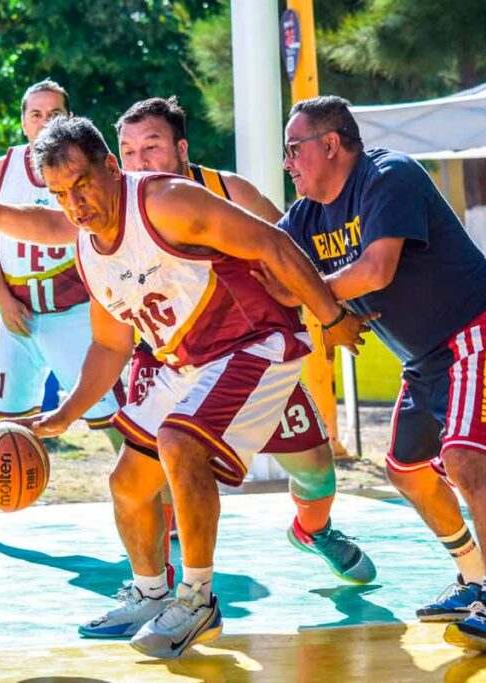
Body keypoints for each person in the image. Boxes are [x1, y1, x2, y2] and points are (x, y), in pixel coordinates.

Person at [0, 116, 372, 658]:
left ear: (111, 168)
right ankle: (150, 592)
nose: (74, 203)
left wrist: (330, 315)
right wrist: (68, 413)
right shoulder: (91, 245)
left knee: (184, 443)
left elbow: (271, 241)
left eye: (81, 184)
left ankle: (198, 600)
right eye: (60, 194)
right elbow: (110, 346)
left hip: (254, 342)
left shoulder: (165, 201)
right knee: (127, 482)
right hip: (187, 361)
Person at [256, 95, 486, 653]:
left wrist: (319, 302)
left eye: (294, 149)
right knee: (406, 470)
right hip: (426, 358)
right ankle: (473, 576)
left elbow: (376, 269)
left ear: (330, 144)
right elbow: (269, 270)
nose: (289, 162)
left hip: (480, 331)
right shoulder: (307, 217)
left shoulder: (389, 175)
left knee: (465, 458)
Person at [113, 95, 375, 588]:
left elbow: (292, 249)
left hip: (249, 352)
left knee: (318, 474)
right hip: (172, 359)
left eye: (151, 147)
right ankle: (161, 581)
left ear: (182, 149)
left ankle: (313, 529)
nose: (139, 161)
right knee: (156, 468)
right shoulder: (117, 208)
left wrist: (326, 307)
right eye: (128, 151)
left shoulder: (226, 190)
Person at [0, 80, 123, 547]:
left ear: (68, 118)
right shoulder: (1, 168)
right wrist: (3, 301)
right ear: (23, 119)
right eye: (36, 114)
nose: (44, 122)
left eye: (54, 114)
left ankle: (157, 503)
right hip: (19, 315)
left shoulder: (79, 170)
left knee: (113, 417)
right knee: (0, 419)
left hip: (73, 311)